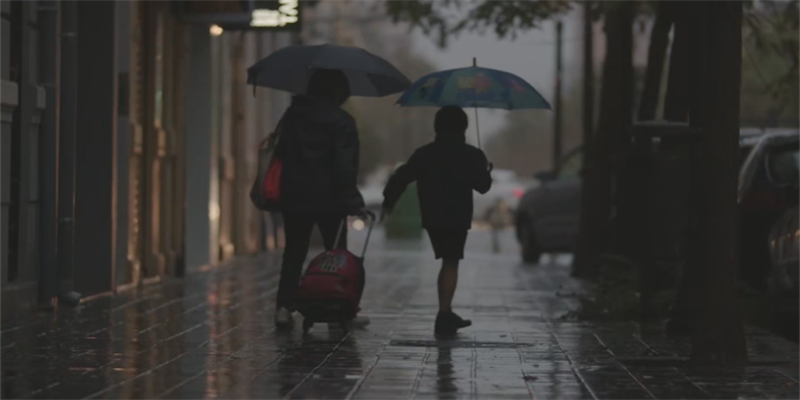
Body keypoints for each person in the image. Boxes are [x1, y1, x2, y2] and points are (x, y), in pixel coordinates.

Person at [381, 106, 492, 335]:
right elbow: (483, 187)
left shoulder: (424, 153)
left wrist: (388, 202)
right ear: (464, 127)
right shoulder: (472, 154)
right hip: (458, 215)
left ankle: (446, 313)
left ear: (436, 127)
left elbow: (402, 177)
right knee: (451, 261)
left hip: (432, 214)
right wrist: (486, 169)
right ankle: (444, 315)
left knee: (446, 259)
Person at [273, 69, 371, 327]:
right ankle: (339, 310)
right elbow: (344, 165)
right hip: (331, 199)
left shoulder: (293, 116)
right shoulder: (342, 120)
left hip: (294, 195)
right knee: (336, 255)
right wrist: (353, 201)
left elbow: (280, 151)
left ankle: (284, 308)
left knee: (293, 253)